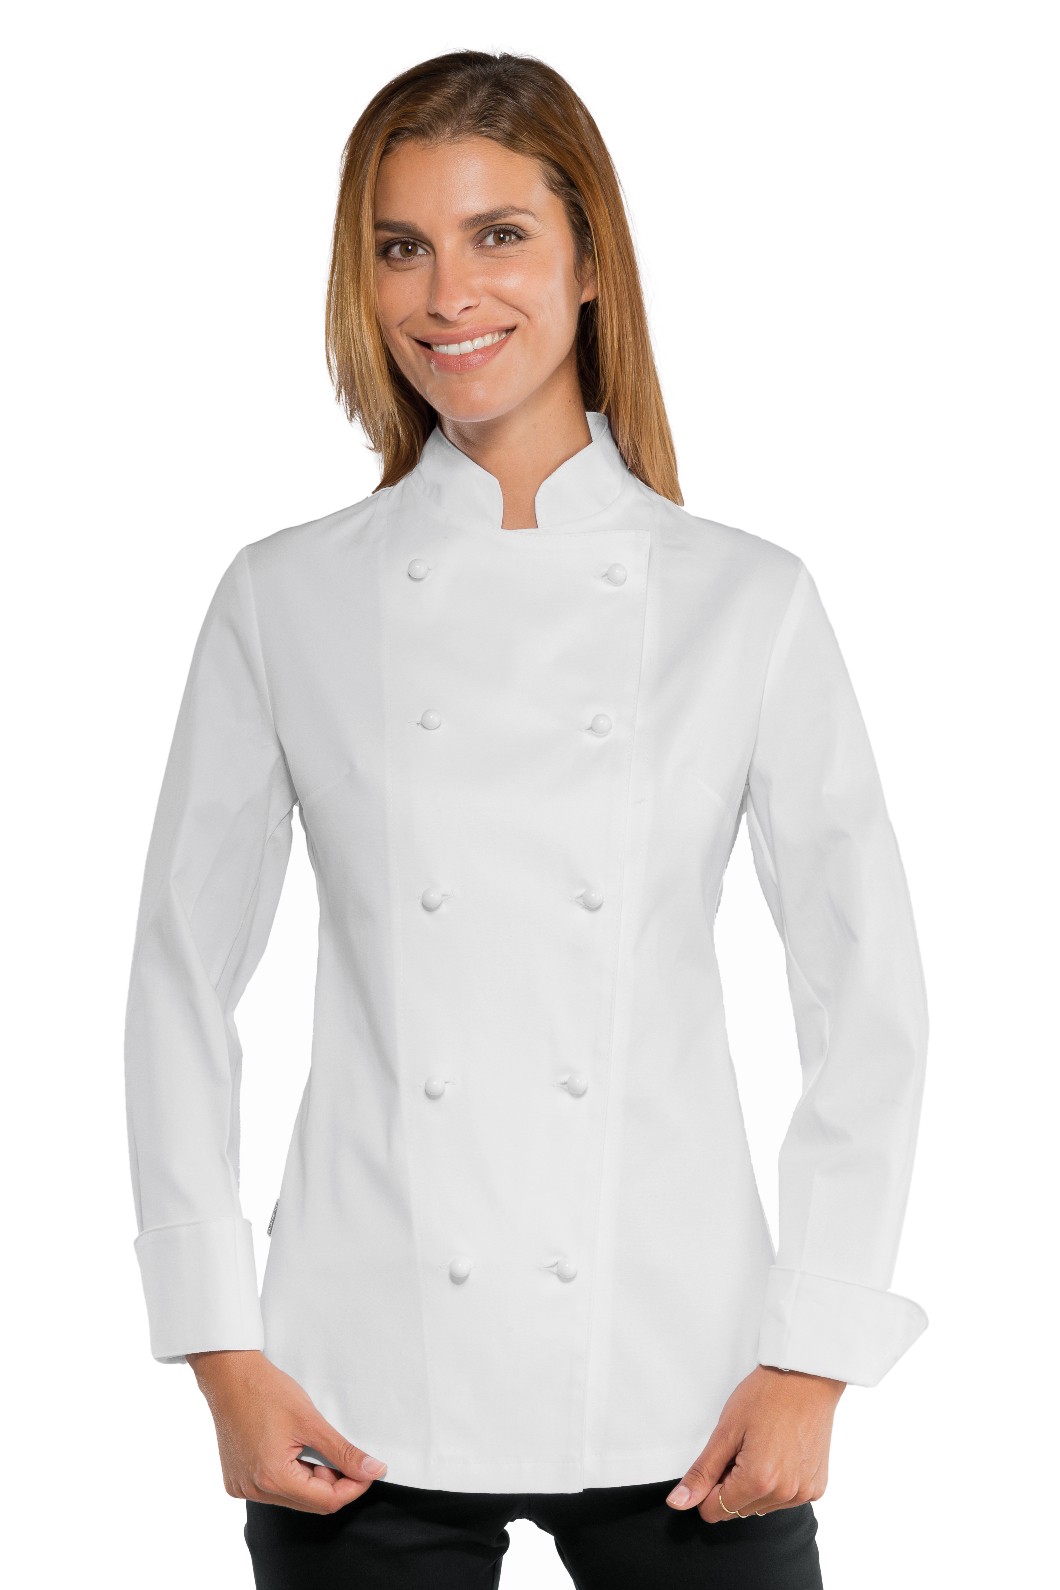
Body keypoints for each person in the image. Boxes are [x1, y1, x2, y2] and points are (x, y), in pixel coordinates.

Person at [123, 49, 930, 1590]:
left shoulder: (743, 598)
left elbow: (868, 990)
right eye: (401, 246)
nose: (448, 294)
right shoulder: (284, 596)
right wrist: (220, 1348)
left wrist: (815, 1354)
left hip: (687, 1373)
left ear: (588, 261)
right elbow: (178, 977)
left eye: (498, 235)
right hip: (353, 1378)